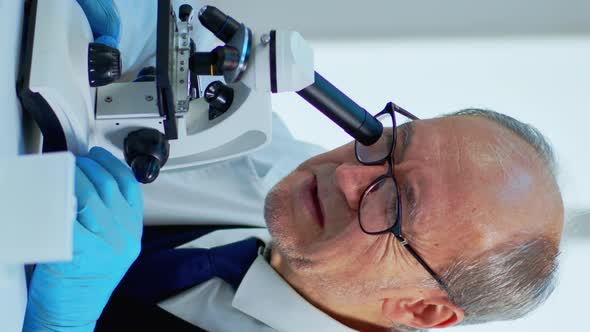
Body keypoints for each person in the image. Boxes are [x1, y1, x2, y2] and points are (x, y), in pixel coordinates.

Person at [23, 1, 564, 331]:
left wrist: (56, 327)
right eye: (388, 143)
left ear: (422, 311)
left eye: (394, 203)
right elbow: (168, 34)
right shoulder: (274, 164)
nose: (347, 175)